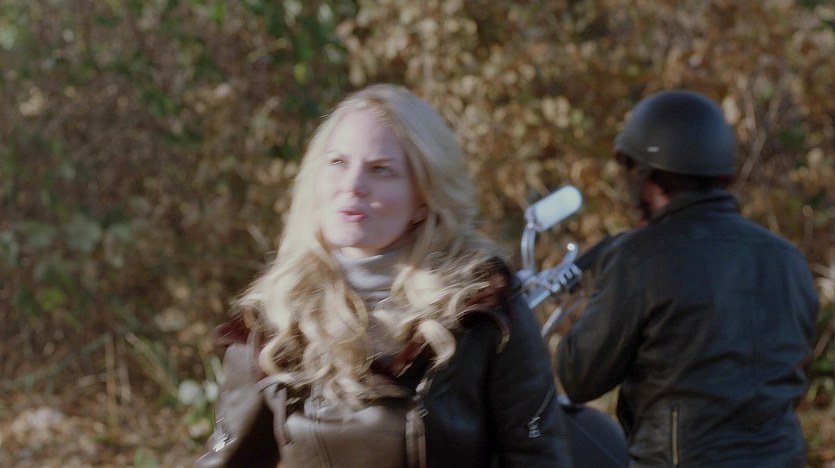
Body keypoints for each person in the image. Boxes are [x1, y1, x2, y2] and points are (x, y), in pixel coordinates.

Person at [196, 83, 572, 467]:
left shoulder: (483, 307)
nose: (353, 185)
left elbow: (538, 458)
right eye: (337, 163)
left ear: (424, 199)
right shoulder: (274, 321)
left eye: (381, 170)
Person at [556, 90, 819, 467]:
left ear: (647, 177)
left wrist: (600, 290)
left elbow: (579, 377)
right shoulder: (788, 259)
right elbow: (796, 367)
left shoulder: (640, 257)